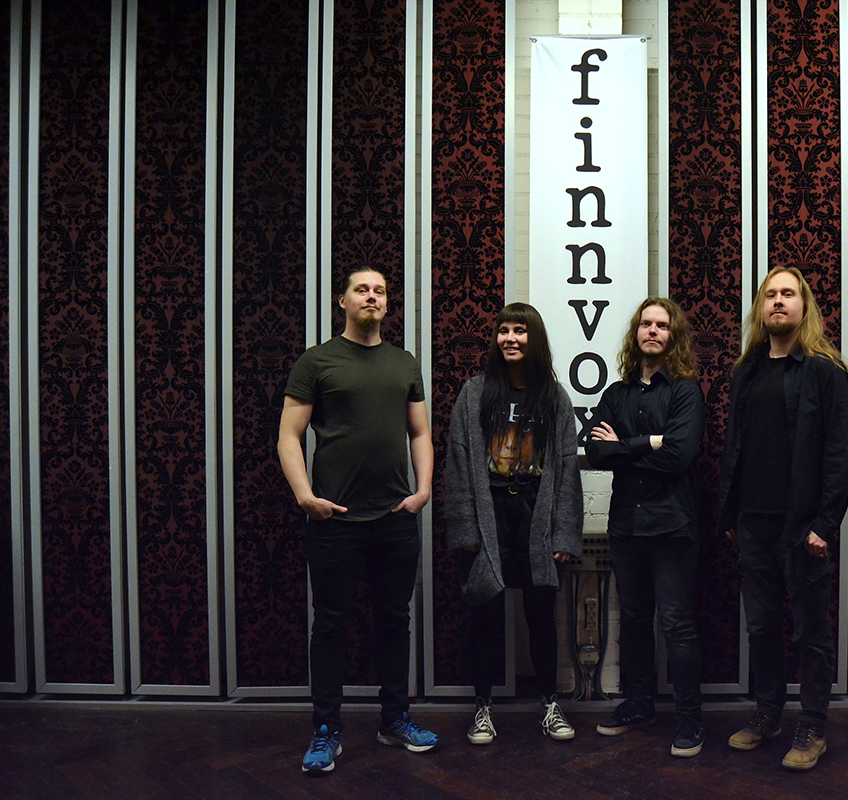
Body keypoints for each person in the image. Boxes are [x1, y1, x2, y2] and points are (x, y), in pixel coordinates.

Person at [278, 267, 439, 775]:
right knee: (331, 625)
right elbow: (289, 436)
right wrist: (305, 496)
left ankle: (395, 720)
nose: (372, 296)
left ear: (387, 303)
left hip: (394, 518)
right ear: (342, 301)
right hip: (335, 521)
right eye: (362, 290)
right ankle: (326, 730)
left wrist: (423, 491)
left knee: (395, 621)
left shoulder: (403, 362)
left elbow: (419, 433)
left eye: (380, 291)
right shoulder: (317, 361)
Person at [717, 267, 848, 771]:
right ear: (761, 308)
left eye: (788, 294)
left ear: (804, 306)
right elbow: (735, 446)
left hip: (802, 527)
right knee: (762, 627)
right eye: (770, 294)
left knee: (811, 634)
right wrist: (731, 512)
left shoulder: (826, 371)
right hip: (753, 524)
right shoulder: (747, 371)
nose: (778, 301)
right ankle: (768, 714)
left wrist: (825, 523)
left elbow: (839, 454)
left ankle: (813, 727)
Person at [444, 302, 583, 745]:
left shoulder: (554, 397)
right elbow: (458, 462)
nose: (510, 339)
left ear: (533, 338)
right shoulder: (475, 393)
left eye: (520, 331)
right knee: (484, 616)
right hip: (489, 516)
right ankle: (483, 708)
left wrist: (564, 533)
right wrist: (465, 529)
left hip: (535, 514)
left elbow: (567, 468)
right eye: (504, 331)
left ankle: (550, 704)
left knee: (541, 617)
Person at [585, 297, 706, 757]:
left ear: (673, 336)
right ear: (636, 333)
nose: (652, 331)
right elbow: (596, 453)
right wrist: (650, 442)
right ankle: (638, 706)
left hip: (672, 526)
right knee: (634, 620)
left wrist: (626, 446)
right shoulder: (616, 394)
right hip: (627, 526)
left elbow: (678, 456)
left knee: (676, 624)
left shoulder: (685, 392)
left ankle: (690, 721)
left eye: (662, 325)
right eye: (646, 324)